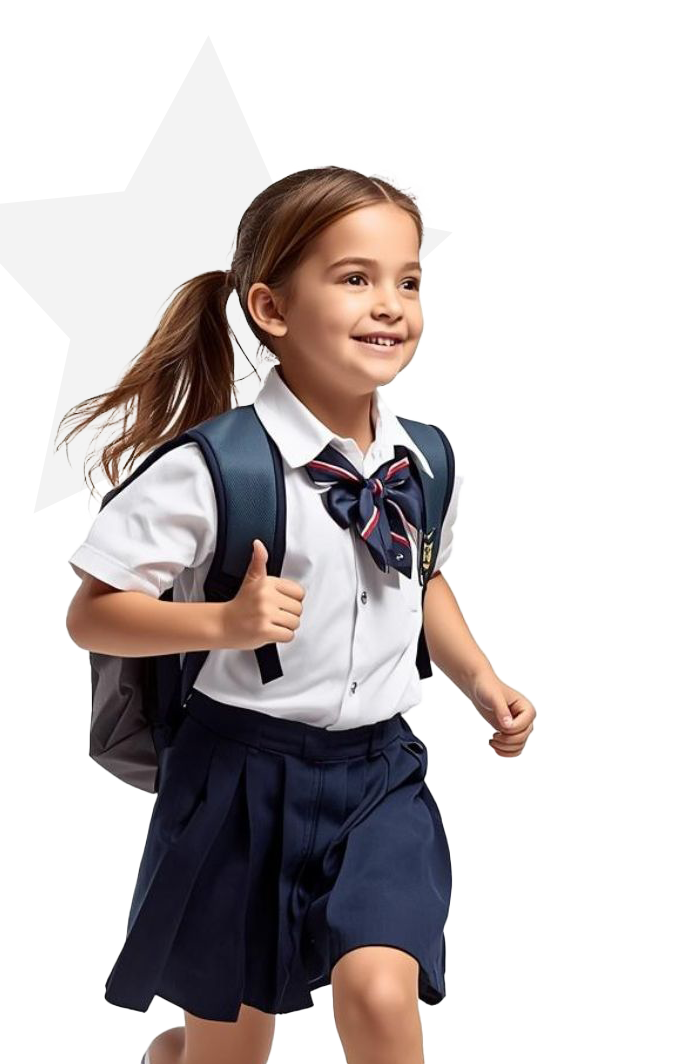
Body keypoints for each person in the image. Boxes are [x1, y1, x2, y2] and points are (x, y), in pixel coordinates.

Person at [59, 165, 537, 1064]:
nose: (389, 303)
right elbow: (93, 614)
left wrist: (481, 680)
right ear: (271, 309)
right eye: (354, 278)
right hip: (237, 779)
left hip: (378, 775)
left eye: (408, 280)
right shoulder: (211, 468)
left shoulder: (425, 459)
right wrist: (220, 626)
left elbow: (419, 574)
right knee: (231, 1044)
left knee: (381, 987)